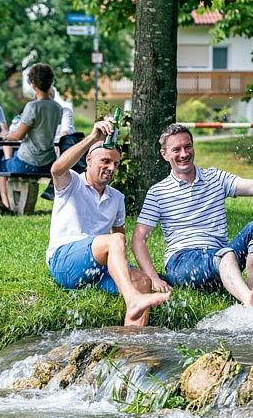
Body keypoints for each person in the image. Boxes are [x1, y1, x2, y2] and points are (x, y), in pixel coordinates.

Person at [131, 123, 253, 307]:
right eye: (176, 149)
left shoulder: (215, 178)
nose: (184, 154)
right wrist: (153, 278)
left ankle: (252, 293)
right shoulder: (158, 192)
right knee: (224, 254)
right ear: (164, 154)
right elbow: (138, 239)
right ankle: (249, 301)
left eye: (188, 146)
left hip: (221, 257)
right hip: (182, 263)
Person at [46, 119, 171, 326]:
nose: (111, 168)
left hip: (98, 268)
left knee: (142, 281)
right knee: (115, 240)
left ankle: (133, 347)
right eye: (105, 161)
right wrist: (94, 137)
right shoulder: (73, 183)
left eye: (116, 164)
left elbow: (119, 245)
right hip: (65, 263)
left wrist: (149, 276)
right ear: (89, 160)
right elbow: (57, 169)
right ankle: (132, 299)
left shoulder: (117, 198)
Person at [0, 63, 62, 209]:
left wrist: (5, 134)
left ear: (33, 83)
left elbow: (19, 135)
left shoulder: (32, 107)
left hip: (28, 162)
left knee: (0, 167)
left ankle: (5, 205)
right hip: (48, 162)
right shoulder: (57, 108)